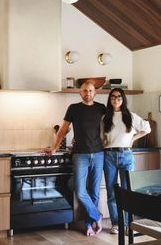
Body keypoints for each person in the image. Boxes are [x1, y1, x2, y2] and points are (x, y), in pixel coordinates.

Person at [46, 82, 106, 236]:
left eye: (91, 91)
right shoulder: (74, 108)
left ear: (95, 92)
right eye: (85, 90)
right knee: (80, 190)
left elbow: (110, 127)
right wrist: (54, 147)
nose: (88, 93)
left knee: (94, 192)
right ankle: (97, 216)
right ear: (80, 92)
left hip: (99, 154)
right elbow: (63, 130)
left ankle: (89, 225)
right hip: (80, 154)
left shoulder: (101, 108)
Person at [101, 88, 151, 235]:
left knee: (128, 191)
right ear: (110, 99)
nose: (116, 100)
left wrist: (132, 139)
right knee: (111, 192)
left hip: (126, 155)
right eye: (113, 97)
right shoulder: (105, 117)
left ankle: (129, 224)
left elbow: (147, 128)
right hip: (109, 156)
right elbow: (102, 138)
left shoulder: (130, 116)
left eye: (119, 97)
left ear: (123, 99)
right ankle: (116, 224)